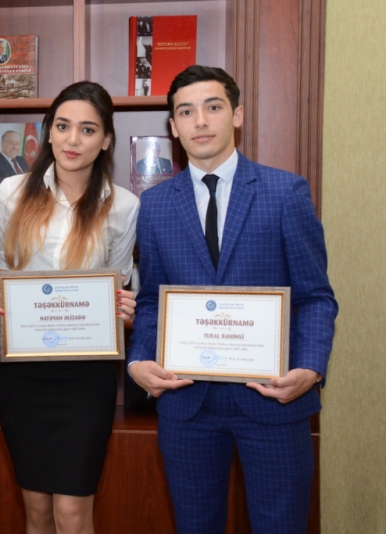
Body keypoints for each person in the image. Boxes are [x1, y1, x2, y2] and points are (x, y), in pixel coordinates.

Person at [127, 65, 337, 534]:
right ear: (173, 126)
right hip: (186, 404)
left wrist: (310, 367)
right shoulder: (155, 205)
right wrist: (139, 359)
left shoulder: (285, 192)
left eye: (213, 107)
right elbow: (151, 300)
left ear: (237, 115)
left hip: (273, 400)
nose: (200, 121)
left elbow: (316, 297)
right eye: (186, 112)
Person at [0, 81, 139, 534]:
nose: (73, 140)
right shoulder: (10, 193)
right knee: (36, 512)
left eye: (88, 130)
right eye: (63, 126)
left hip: (85, 377)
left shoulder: (123, 205)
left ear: (106, 139)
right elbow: (5, 273)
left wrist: (122, 311)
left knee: (73, 515)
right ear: (48, 132)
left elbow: (117, 283)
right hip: (22, 373)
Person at [0, 129, 29, 204]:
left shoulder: (22, 160)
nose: (15, 147)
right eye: (11, 143)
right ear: (2, 144)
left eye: (17, 143)